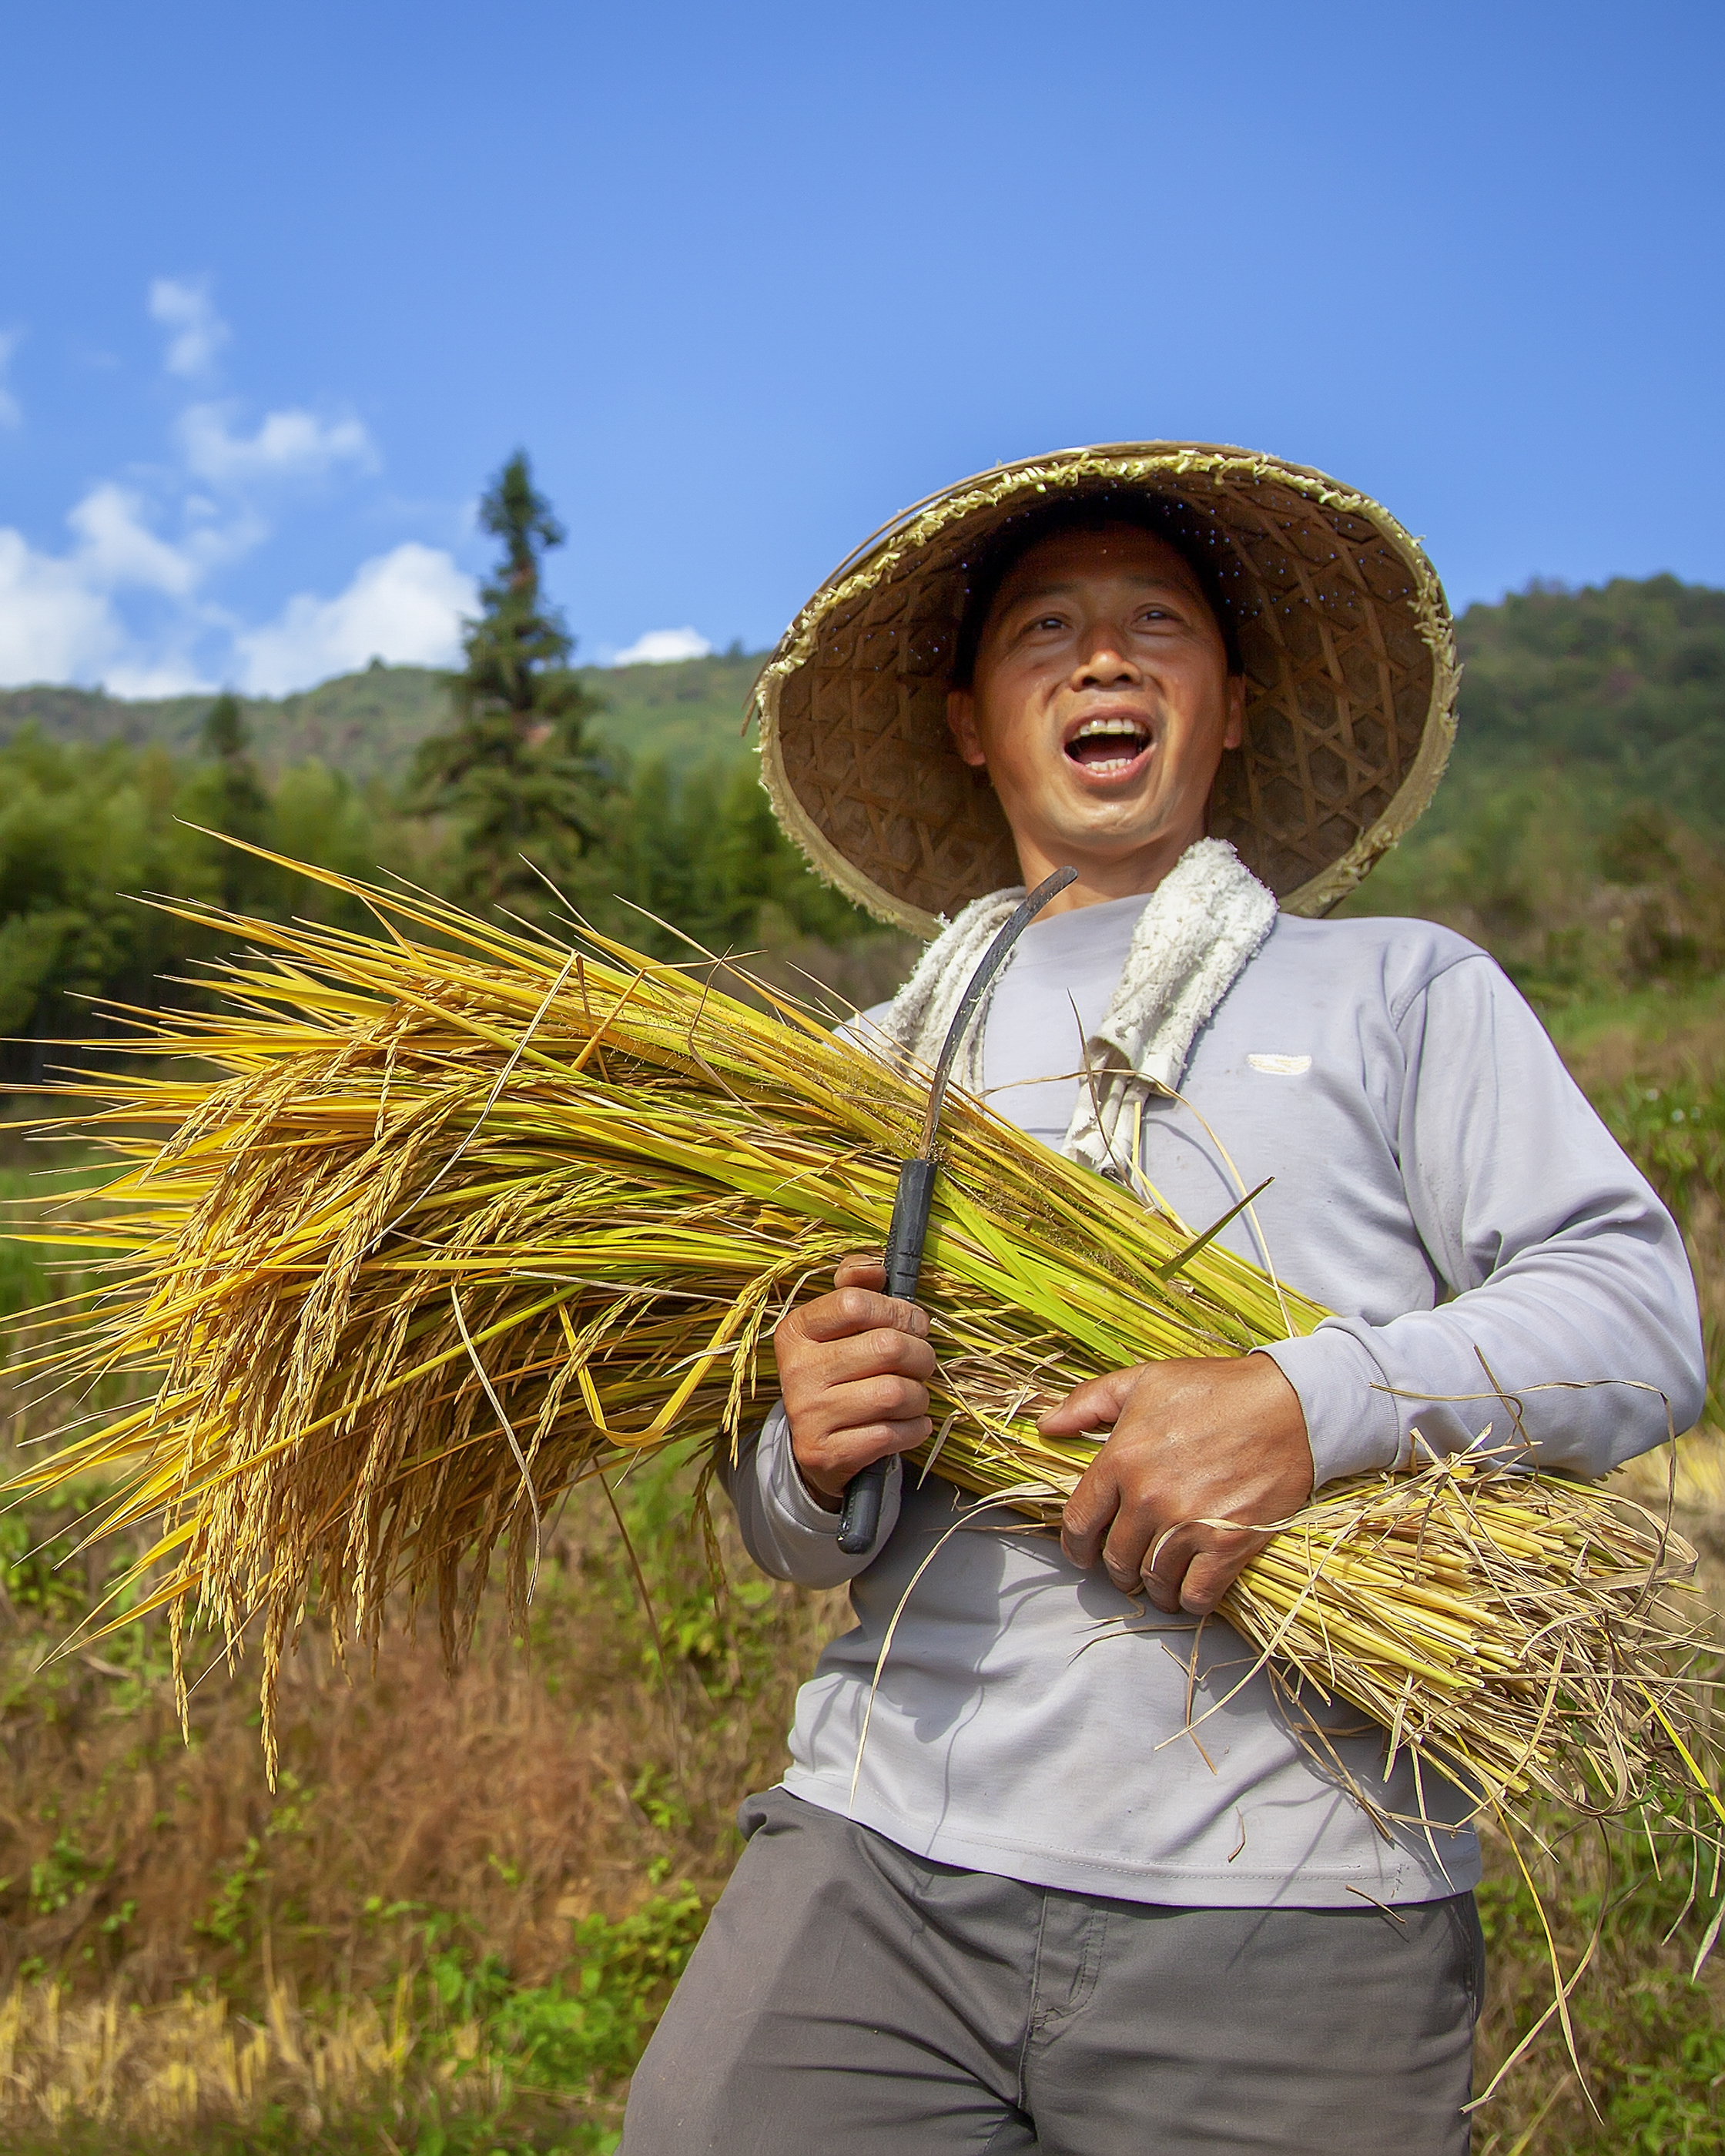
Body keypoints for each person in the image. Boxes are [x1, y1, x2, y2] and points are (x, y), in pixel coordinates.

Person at [620, 445, 1706, 2155]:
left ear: (1235, 703)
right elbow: (786, 1529)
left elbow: (1634, 1316)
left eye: (1157, 624)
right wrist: (808, 1458)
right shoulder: (859, 1076)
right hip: (878, 1855)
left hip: (1299, 1892)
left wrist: (1304, 1405)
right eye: (1044, 630)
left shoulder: (1399, 988)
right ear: (972, 723)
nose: (1103, 659)